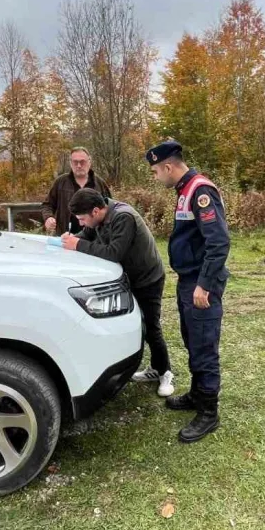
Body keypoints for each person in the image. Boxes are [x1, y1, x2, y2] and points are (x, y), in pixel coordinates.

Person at [146, 140, 230, 443]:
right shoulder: (184, 190)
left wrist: (204, 284)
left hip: (200, 284)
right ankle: (197, 395)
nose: (156, 177)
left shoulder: (200, 191)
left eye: (156, 171)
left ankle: (209, 413)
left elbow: (218, 243)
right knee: (193, 340)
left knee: (204, 345)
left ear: (168, 166)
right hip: (188, 281)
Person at [62, 188, 175, 398]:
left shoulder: (124, 217)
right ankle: (154, 368)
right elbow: (84, 235)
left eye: (83, 218)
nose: (82, 223)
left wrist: (77, 245)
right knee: (136, 326)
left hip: (148, 279)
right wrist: (71, 239)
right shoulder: (98, 219)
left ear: (96, 211)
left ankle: (164, 371)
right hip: (129, 279)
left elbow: (114, 253)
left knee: (150, 326)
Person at [41, 147, 112, 236]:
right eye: (75, 162)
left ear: (89, 162)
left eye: (82, 162)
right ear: (71, 163)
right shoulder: (60, 182)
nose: (79, 165)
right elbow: (47, 205)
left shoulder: (99, 183)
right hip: (65, 235)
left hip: (94, 238)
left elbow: (108, 209)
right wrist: (48, 218)